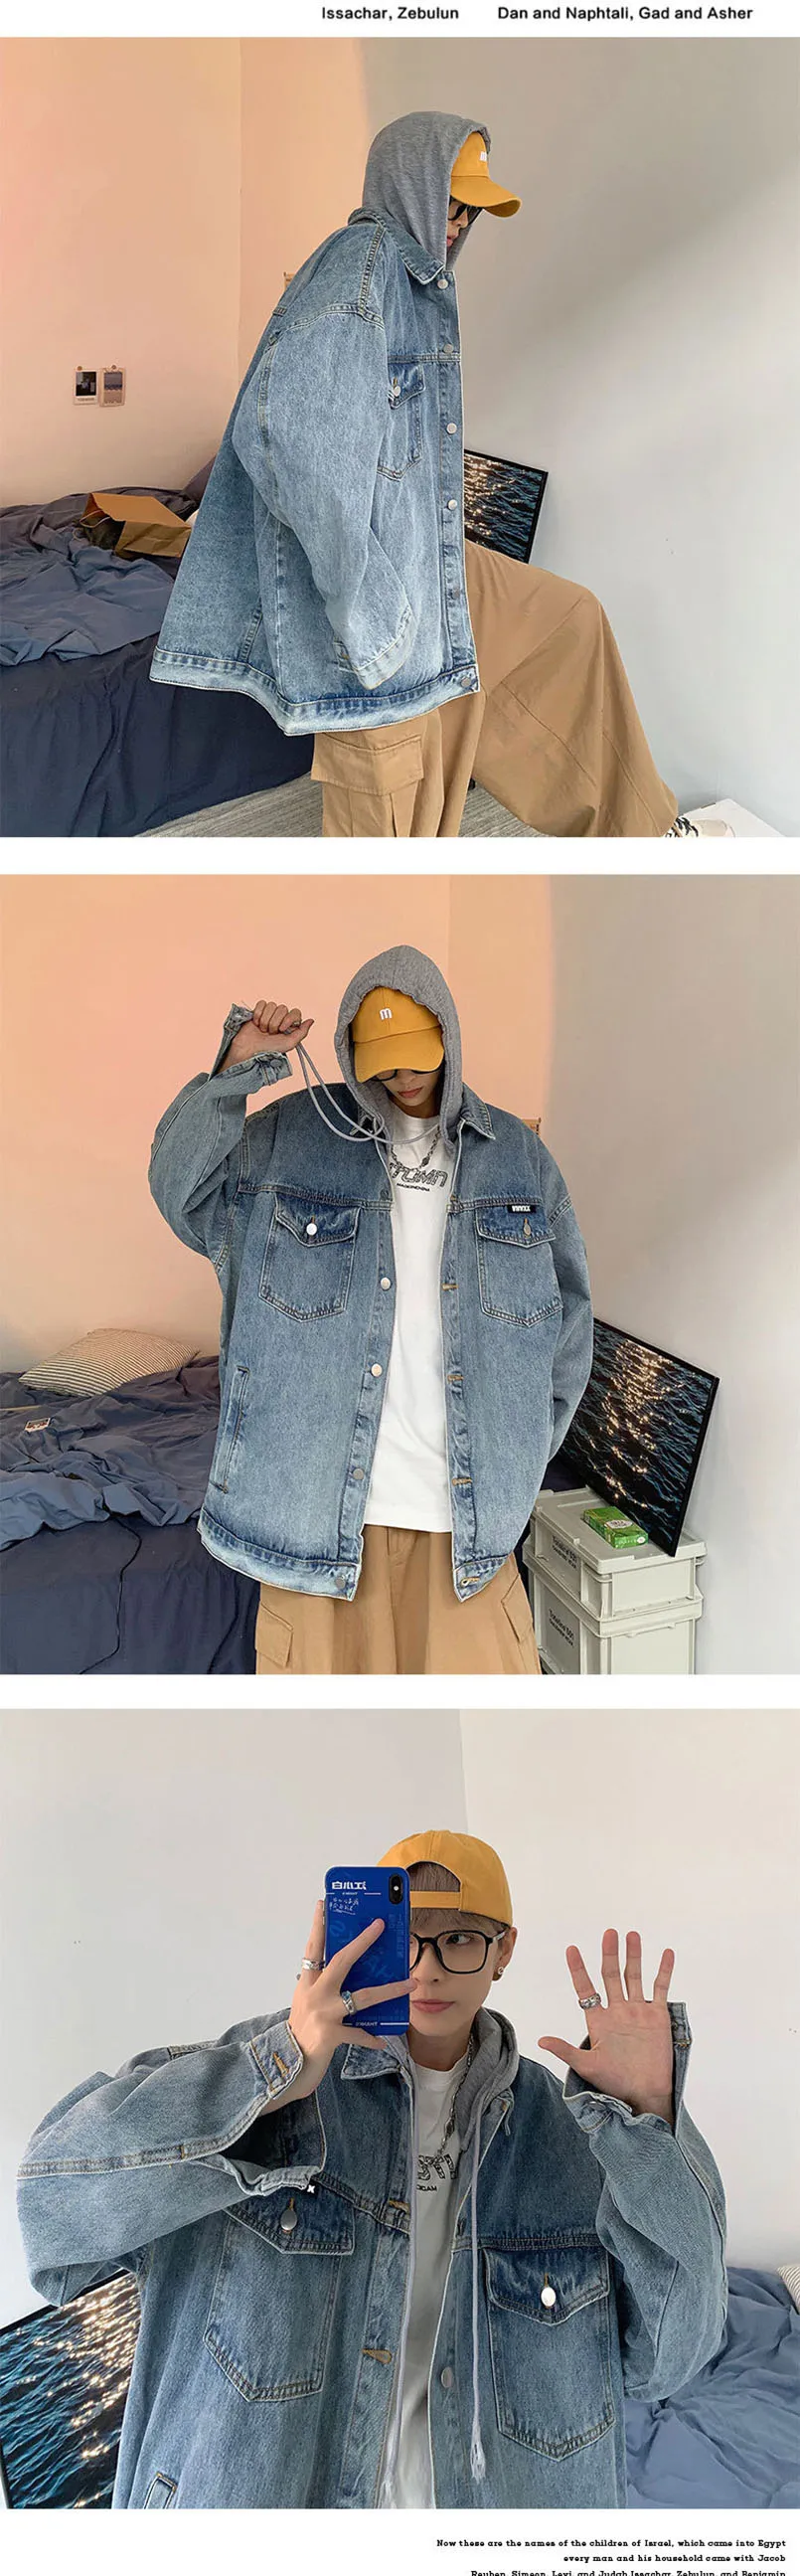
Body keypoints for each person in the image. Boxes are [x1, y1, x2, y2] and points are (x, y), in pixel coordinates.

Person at [17, 1828, 727, 2510]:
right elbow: (51, 2212)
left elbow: (666, 2361)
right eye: (403, 1938)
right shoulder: (273, 2077)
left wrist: (648, 2125)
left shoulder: (572, 2138)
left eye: (459, 1939)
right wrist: (273, 2074)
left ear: (503, 1950)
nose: (426, 1969)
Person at [151, 112, 734, 842]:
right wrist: (369, 604)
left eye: (469, 210)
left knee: (566, 621)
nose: (458, 223)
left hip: (422, 558)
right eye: (451, 202)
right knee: (393, 781)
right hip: (375, 580)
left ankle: (639, 832)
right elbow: (290, 441)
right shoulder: (362, 264)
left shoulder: (411, 280)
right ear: (409, 185)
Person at [148, 943, 593, 1675]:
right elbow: (181, 1193)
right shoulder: (290, 1136)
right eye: (382, 1062)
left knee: (479, 1726)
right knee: (331, 1742)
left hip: (467, 1526)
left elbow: (569, 1319)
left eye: (416, 1056)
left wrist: (520, 1447)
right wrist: (236, 1070)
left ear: (448, 1035)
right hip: (311, 1518)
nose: (401, 1077)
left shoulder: (518, 1156)